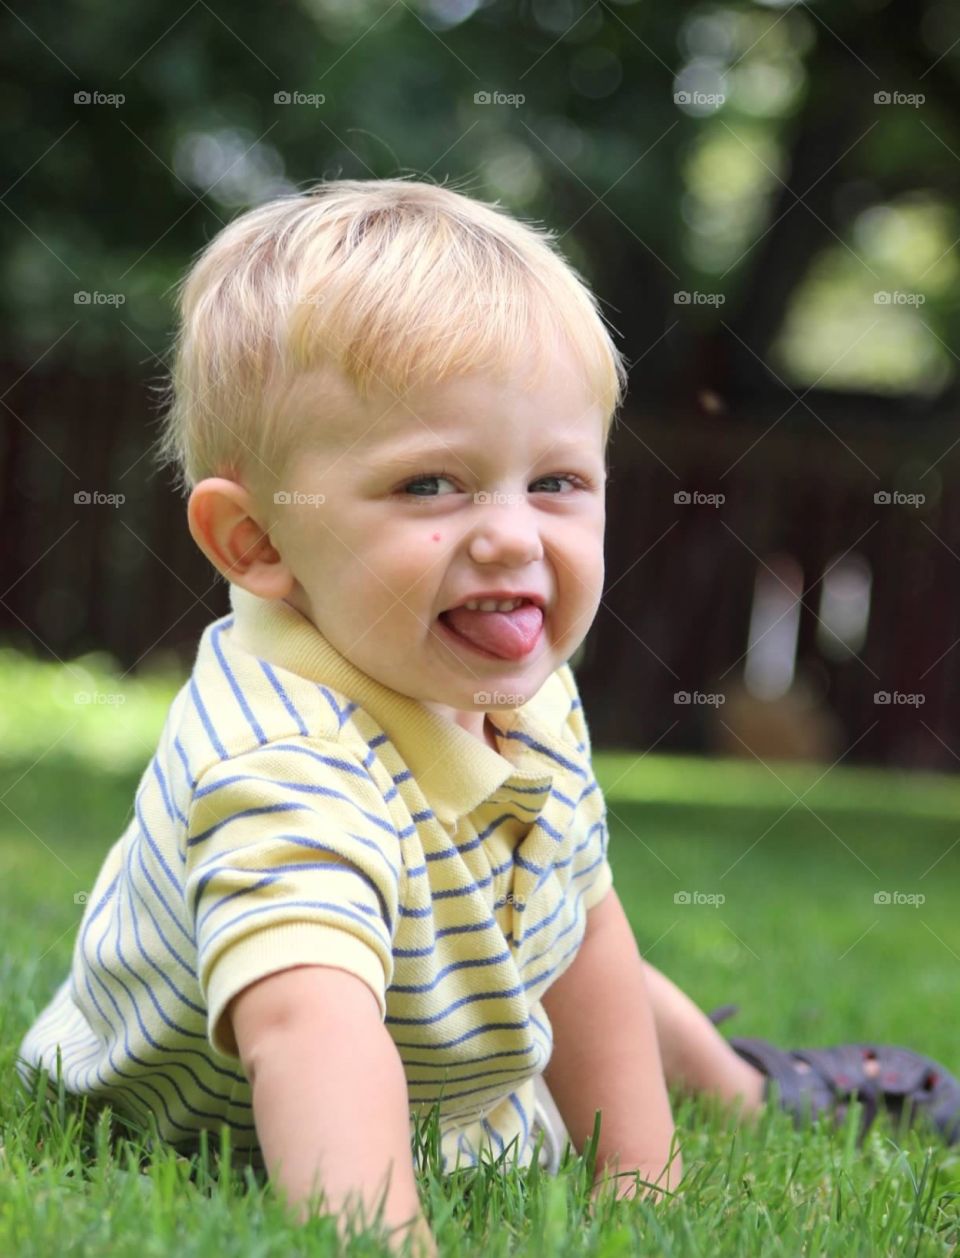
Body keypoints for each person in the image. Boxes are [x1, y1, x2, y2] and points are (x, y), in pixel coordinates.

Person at [16, 177, 959, 1256]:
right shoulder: (283, 764)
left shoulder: (520, 689)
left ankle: (748, 1089)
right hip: (258, 1108)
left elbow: (581, 929)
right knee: (453, 988)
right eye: (430, 486)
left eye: (555, 481)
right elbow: (307, 1028)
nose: (513, 537)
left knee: (561, 933)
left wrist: (645, 1186)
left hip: (455, 1030)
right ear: (258, 542)